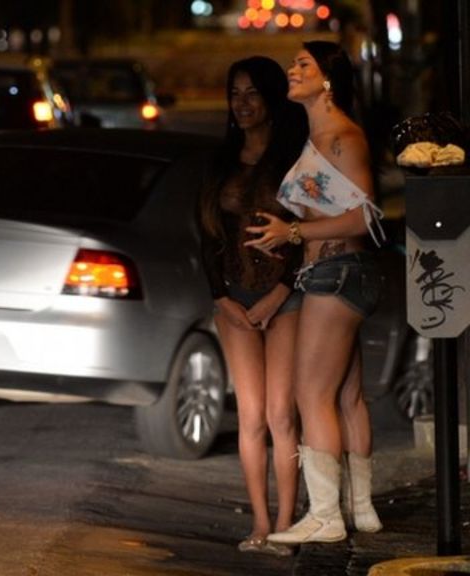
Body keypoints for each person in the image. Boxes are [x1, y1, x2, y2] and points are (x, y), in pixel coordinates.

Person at [245, 41, 386, 544]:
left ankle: (325, 516)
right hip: (332, 275)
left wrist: (294, 234)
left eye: (303, 64)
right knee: (346, 395)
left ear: (327, 79)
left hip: (337, 273)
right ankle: (360, 508)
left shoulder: (344, 136)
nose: (292, 69)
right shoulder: (319, 134)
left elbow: (366, 215)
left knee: (312, 394)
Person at [198, 56, 307, 556]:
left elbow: (309, 236)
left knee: (283, 414)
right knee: (251, 416)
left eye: (251, 94)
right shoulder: (219, 162)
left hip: (284, 297)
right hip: (234, 301)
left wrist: (281, 291)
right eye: (234, 93)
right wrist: (221, 297)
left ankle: (286, 523)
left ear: (271, 99)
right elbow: (204, 237)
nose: (241, 104)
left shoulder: (294, 159)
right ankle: (260, 524)